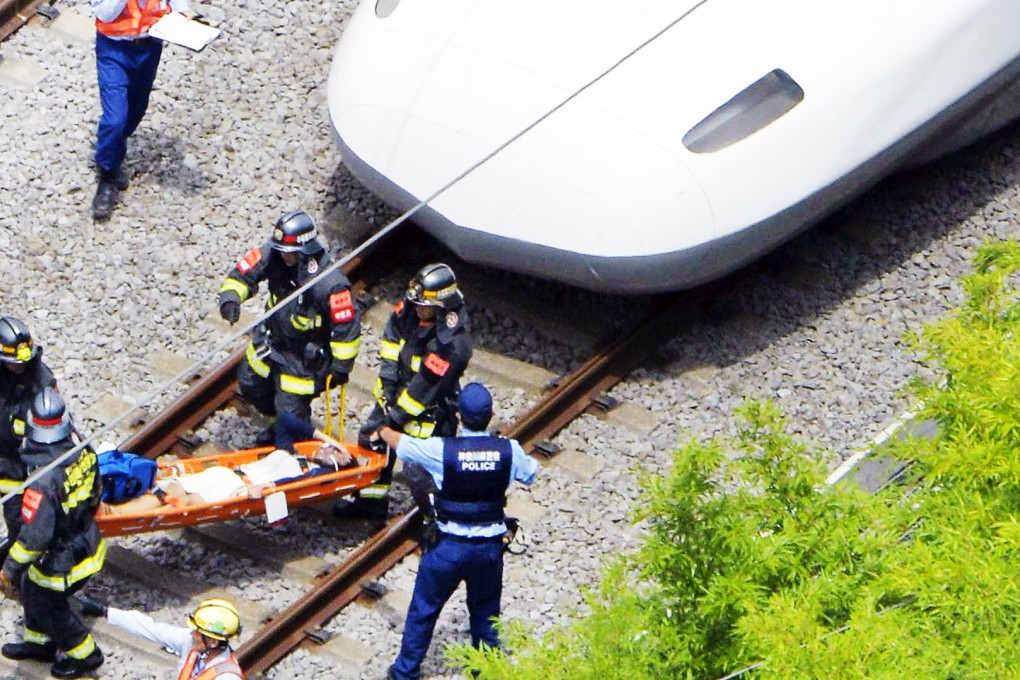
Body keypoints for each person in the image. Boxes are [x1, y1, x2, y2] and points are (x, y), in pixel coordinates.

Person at [376, 382, 538, 680]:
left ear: (459, 414)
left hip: (448, 548)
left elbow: (406, 446)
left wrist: (383, 429)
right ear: (490, 415)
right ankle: (486, 672)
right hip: (489, 550)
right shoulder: (508, 450)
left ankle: (405, 673)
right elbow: (530, 473)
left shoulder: (443, 451)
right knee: (486, 615)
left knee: (423, 611)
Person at [335, 263, 472, 520]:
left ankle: (439, 521)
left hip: (428, 414)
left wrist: (394, 420)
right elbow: (392, 336)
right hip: (395, 395)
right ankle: (371, 502)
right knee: (370, 441)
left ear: (441, 305)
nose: (418, 309)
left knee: (418, 471)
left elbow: (426, 386)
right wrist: (387, 379)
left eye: (425, 306)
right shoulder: (413, 308)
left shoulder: (453, 344)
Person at [218, 210, 361, 450]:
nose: (284, 256)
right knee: (250, 383)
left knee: (292, 411)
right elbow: (243, 274)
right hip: (270, 342)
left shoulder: (328, 283)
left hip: (301, 360)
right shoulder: (275, 252)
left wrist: (340, 368)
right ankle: (278, 425)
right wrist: (231, 299)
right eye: (282, 250)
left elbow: (347, 329)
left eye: (290, 253)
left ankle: (295, 450)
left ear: (305, 250)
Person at [0, 388, 106, 679]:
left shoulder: (43, 480)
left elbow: (35, 537)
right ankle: (40, 644)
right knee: (32, 590)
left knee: (46, 603)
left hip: (64, 556)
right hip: (85, 539)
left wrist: (9, 568)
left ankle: (85, 654)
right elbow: (96, 492)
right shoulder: (80, 446)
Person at [90, 0, 194, 221]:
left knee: (136, 109)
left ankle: (113, 144)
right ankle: (108, 172)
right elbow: (106, 14)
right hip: (114, 50)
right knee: (115, 118)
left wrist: (182, 10)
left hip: (148, 46)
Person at [0, 317, 58, 563]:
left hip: (18, 462)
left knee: (19, 517)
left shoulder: (41, 382)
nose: (20, 366)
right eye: (15, 363)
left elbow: (53, 424)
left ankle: (19, 567)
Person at [80, 596, 244, 679]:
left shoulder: (227, 676)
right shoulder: (191, 644)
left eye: (197, 632)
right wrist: (105, 612)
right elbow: (151, 629)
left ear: (213, 641)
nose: (192, 634)